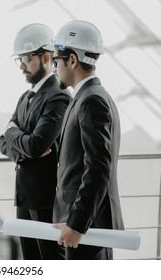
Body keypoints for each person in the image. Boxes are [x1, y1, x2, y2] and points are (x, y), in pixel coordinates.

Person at [52, 20, 124, 260]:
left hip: (86, 228)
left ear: (72, 60)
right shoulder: (89, 97)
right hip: (84, 225)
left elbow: (98, 168)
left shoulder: (91, 101)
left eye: (56, 61)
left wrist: (76, 224)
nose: (53, 68)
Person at [0, 23, 71, 259]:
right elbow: (2, 142)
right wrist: (23, 149)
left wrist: (13, 134)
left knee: (50, 262)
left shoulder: (58, 96)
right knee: (30, 263)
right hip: (25, 196)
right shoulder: (26, 97)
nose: (21, 66)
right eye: (18, 59)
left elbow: (36, 145)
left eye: (26, 59)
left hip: (46, 199)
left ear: (46, 57)